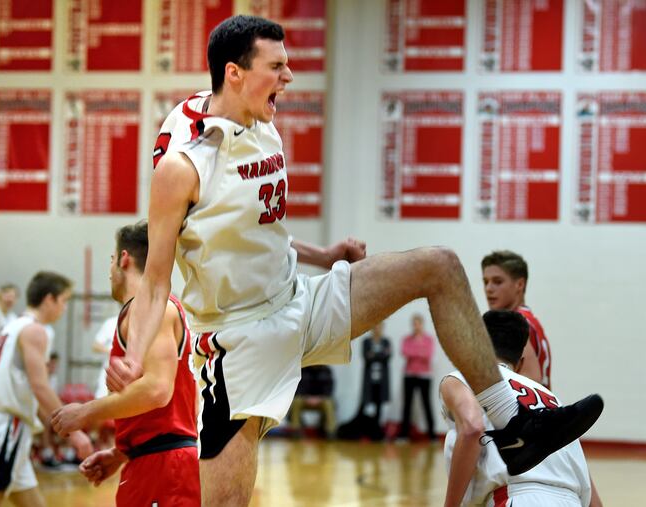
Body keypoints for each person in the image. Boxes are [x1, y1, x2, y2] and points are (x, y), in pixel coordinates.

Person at [107, 15, 603, 505]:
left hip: (300, 301)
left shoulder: (260, 118)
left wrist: (322, 256)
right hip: (242, 341)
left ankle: (514, 426)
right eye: (276, 66)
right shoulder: (182, 165)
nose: (289, 77)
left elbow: (254, 228)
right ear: (234, 73)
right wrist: (134, 357)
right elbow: (154, 283)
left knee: (440, 266)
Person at [51, 221, 200, 506]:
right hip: (154, 460)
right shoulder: (155, 311)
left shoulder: (151, 311)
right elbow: (183, 404)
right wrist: (121, 452)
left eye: (111, 260)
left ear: (123, 259)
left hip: (163, 467)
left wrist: (85, 412)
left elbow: (157, 390)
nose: (110, 271)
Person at [440, 310, 602, 507]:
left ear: (476, 346)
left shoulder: (463, 379)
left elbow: (472, 428)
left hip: (517, 497)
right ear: (521, 363)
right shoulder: (553, 400)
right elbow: (595, 502)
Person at [0, 272, 92, 507]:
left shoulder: (11, 326)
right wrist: (74, 431)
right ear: (49, 299)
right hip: (6, 429)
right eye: (63, 301)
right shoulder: (35, 331)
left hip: (3, 425)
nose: (65, 308)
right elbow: (40, 386)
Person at [482, 250, 552, 388]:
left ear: (519, 284)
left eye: (497, 281)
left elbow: (530, 383)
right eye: (486, 282)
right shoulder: (528, 319)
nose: (489, 288)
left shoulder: (516, 324)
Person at [398, 313, 436, 440]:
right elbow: (404, 352)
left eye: (418, 323)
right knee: (407, 405)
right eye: (414, 324)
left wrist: (414, 352)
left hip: (425, 376)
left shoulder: (429, 339)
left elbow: (428, 355)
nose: (416, 326)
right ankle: (403, 435)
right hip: (409, 375)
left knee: (426, 404)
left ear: (422, 324)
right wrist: (419, 351)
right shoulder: (406, 339)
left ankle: (432, 435)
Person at [361, 322, 391, 433]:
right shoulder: (366, 342)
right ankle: (368, 429)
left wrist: (373, 354)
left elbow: (387, 357)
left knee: (380, 404)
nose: (377, 329)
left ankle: (377, 431)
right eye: (375, 326)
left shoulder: (386, 342)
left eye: (379, 326)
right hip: (370, 380)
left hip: (381, 381)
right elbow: (366, 357)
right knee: (369, 404)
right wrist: (381, 354)